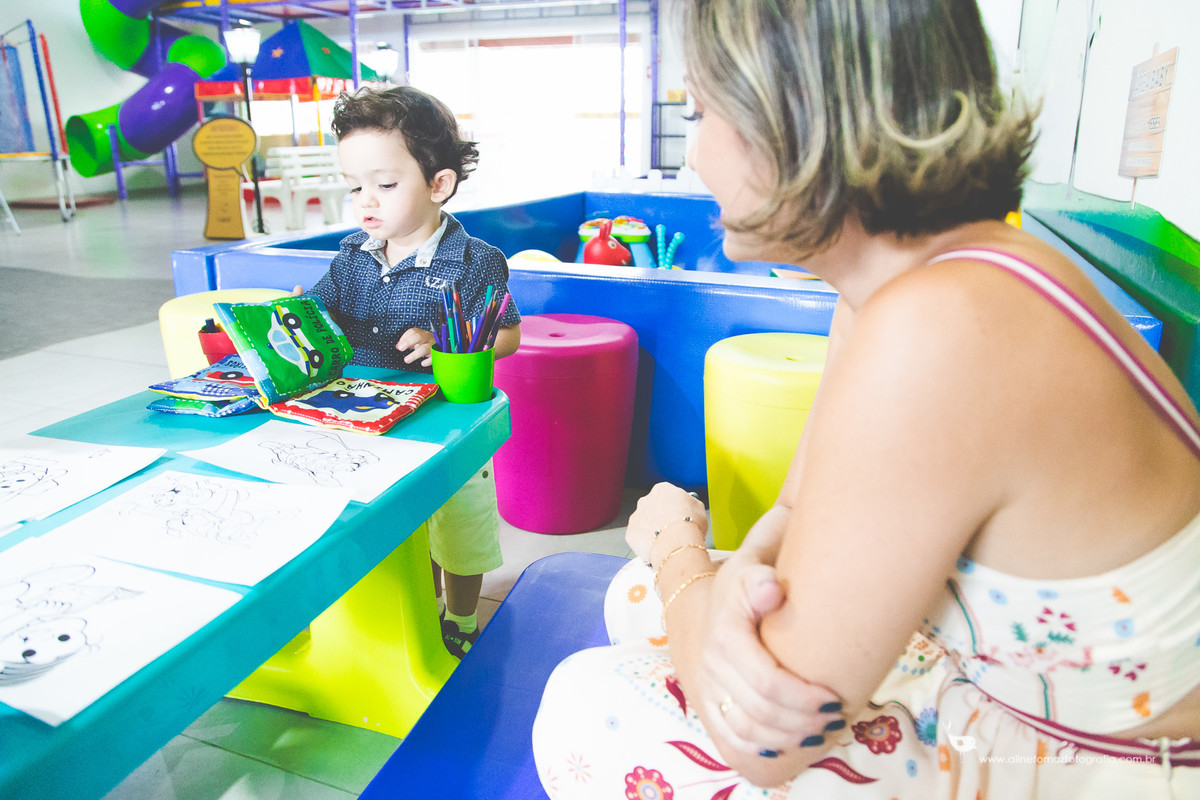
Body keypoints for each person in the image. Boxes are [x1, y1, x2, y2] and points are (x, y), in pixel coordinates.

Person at [531, 0, 1200, 797]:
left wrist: (680, 551)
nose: (694, 157)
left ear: (796, 118)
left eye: (702, 111)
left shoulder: (939, 328)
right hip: (990, 682)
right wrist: (720, 598)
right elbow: (792, 511)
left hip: (1077, 767)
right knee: (634, 592)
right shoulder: (901, 289)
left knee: (587, 704)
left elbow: (763, 747)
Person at [299, 85, 521, 658]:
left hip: (448, 428)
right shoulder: (352, 254)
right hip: (369, 422)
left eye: (385, 184)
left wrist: (447, 341)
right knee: (398, 532)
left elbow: (509, 334)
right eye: (355, 186)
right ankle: (421, 610)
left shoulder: (474, 260)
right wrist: (299, 315)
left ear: (438, 184)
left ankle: (463, 619)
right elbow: (323, 314)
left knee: (460, 534)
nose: (366, 201)